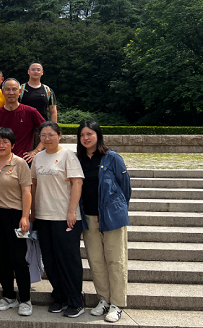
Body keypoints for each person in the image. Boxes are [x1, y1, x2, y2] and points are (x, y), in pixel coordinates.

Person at [77, 120, 131, 323]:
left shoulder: (112, 158)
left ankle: (117, 303)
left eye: (89, 134)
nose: (86, 138)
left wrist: (117, 209)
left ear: (98, 135)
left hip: (111, 217)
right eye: (82, 135)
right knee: (96, 260)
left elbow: (125, 188)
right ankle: (104, 299)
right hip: (89, 217)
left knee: (116, 260)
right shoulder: (78, 159)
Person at [31, 121, 84, 318]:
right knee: (50, 259)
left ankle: (75, 300)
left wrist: (72, 211)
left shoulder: (68, 156)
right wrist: (33, 212)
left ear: (59, 135)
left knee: (68, 259)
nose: (47, 138)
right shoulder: (38, 158)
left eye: (51, 135)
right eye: (43, 135)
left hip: (65, 217)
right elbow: (34, 185)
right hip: (44, 216)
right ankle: (59, 296)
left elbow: (77, 184)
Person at [0, 128, 33, 316]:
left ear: (13, 145)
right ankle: (8, 296)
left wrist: (25, 216)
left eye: (5, 141)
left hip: (16, 216)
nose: (1, 145)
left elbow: (27, 192)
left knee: (18, 258)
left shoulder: (20, 163)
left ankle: (26, 299)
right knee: (3, 258)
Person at [0, 79, 45, 163]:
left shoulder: (30, 112)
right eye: (8, 89)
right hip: (0, 161)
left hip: (23, 161)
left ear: (19, 91)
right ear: (2, 92)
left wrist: (36, 151)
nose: (11, 93)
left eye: (14, 89)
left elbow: (47, 131)